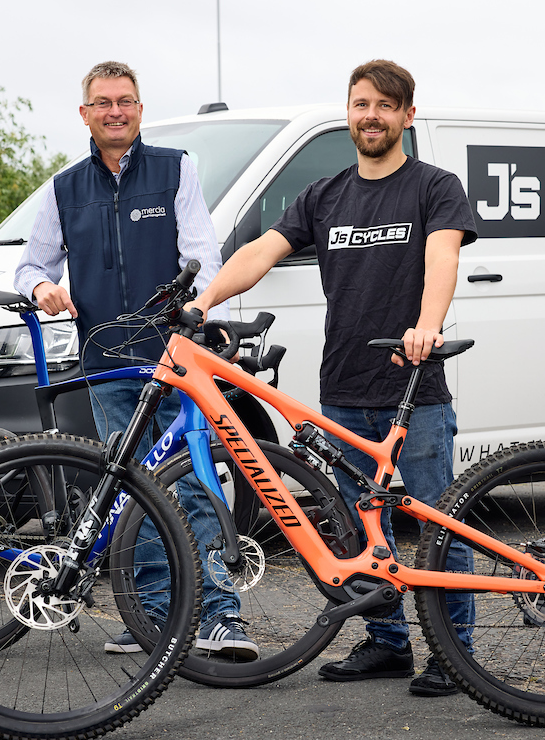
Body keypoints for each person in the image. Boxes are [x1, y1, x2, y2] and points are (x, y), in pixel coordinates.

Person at [189, 60, 477, 695]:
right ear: (348, 112)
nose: (369, 116)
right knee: (356, 528)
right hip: (343, 389)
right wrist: (204, 302)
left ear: (405, 114)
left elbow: (443, 256)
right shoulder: (325, 195)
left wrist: (427, 326)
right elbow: (260, 252)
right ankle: (387, 644)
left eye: (383, 105)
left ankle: (456, 656)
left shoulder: (435, 187)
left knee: (438, 522)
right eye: (359, 104)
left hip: (413, 386)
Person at [14, 61, 258, 659]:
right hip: (107, 362)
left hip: (175, 358)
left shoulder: (176, 170)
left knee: (195, 482)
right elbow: (30, 265)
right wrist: (42, 288)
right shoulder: (63, 188)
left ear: (140, 109)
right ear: (85, 114)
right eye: (102, 102)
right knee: (131, 492)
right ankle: (153, 618)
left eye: (125, 101)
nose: (114, 111)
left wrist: (200, 314)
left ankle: (220, 616)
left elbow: (202, 252)